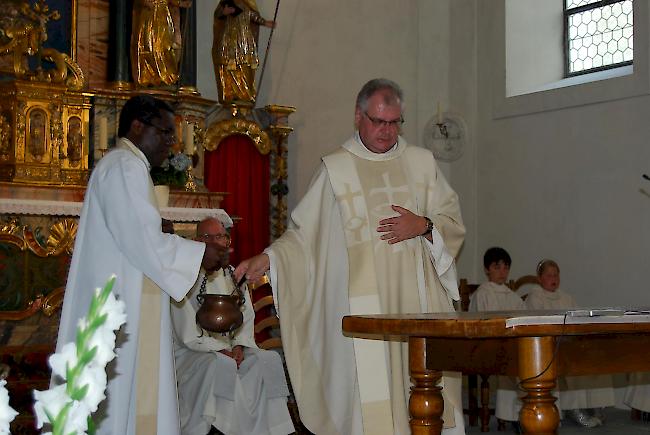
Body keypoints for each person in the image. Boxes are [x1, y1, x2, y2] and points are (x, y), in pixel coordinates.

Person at [235, 78, 466, 435]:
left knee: (420, 391)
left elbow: (452, 222)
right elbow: (304, 235)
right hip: (363, 312)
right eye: (378, 121)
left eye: (394, 122)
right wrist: (268, 259)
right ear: (358, 116)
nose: (387, 132)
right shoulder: (335, 169)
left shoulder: (421, 163)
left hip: (417, 303)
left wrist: (423, 224)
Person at [55, 95, 229, 435]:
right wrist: (199, 254)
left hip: (124, 302)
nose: (171, 142)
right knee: (119, 396)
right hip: (119, 307)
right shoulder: (124, 166)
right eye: (164, 132)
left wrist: (164, 233)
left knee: (127, 397)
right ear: (137, 126)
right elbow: (142, 240)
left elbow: (137, 232)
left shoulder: (125, 167)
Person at [171, 216, 294, 435]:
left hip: (231, 350)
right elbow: (186, 332)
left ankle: (268, 429)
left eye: (219, 236)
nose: (214, 242)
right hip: (194, 353)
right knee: (218, 364)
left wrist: (239, 346)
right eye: (207, 237)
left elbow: (245, 318)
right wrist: (220, 349)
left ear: (227, 241)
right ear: (196, 240)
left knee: (267, 359)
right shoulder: (184, 277)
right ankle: (219, 428)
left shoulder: (232, 275)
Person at [526, 259, 615, 428]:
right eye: (549, 275)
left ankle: (591, 405)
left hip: (568, 343)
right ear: (539, 278)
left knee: (595, 356)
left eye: (556, 274)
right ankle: (574, 409)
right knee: (571, 361)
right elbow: (536, 325)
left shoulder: (566, 297)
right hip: (547, 347)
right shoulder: (534, 298)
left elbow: (579, 320)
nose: (554, 278)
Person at [468, 247, 525, 431]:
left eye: (506, 267)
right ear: (487, 269)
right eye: (497, 267)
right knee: (512, 362)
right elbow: (479, 325)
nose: (502, 272)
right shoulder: (483, 293)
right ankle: (516, 415)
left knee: (529, 360)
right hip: (487, 346)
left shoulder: (513, 297)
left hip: (510, 344)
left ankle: (525, 412)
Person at [212, 0, 274, 103]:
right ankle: (230, 95)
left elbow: (254, 16)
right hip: (229, 40)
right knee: (229, 67)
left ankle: (245, 95)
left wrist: (265, 22)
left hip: (245, 41)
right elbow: (218, 15)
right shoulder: (226, 2)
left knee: (245, 66)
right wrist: (224, 12)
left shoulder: (247, 5)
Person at [131, 0, 192, 87]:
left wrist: (180, 3)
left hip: (162, 15)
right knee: (147, 45)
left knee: (164, 47)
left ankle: (165, 76)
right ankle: (149, 77)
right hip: (148, 13)